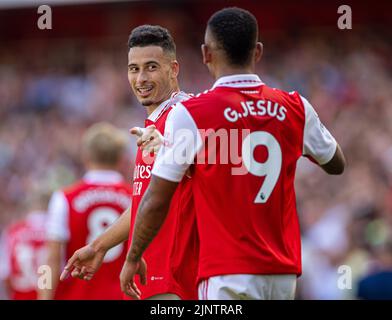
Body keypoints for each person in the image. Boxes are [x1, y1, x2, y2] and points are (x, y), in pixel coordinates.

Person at [120, 7, 346, 300]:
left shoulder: (192, 114)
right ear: (258, 51)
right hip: (283, 272)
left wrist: (133, 255)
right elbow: (336, 163)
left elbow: (155, 198)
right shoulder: (296, 107)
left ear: (206, 54)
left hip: (226, 272)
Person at [60, 25, 198, 300]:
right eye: (134, 69)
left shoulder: (185, 116)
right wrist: (99, 246)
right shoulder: (157, 121)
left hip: (174, 279)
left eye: (151, 67)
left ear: (174, 69)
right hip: (150, 278)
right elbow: (143, 203)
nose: (141, 78)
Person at [38, 122, 132, 300]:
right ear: (120, 158)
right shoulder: (136, 198)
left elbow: (51, 259)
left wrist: (43, 296)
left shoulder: (65, 198)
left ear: (86, 156)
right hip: (123, 296)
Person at [0, 187, 49, 300]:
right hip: (55, 294)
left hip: (21, 295)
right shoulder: (55, 230)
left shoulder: (13, 231)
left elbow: (5, 274)